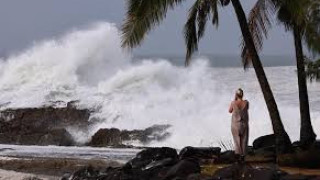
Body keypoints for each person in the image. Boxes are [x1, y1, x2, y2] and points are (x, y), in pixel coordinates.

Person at [229, 88, 249, 162]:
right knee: (244, 140)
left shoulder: (233, 103)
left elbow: (230, 111)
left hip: (235, 124)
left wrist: (235, 99)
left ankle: (238, 157)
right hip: (244, 124)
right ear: (242, 95)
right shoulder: (246, 103)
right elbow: (247, 109)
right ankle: (243, 157)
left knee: (237, 141)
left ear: (236, 95)